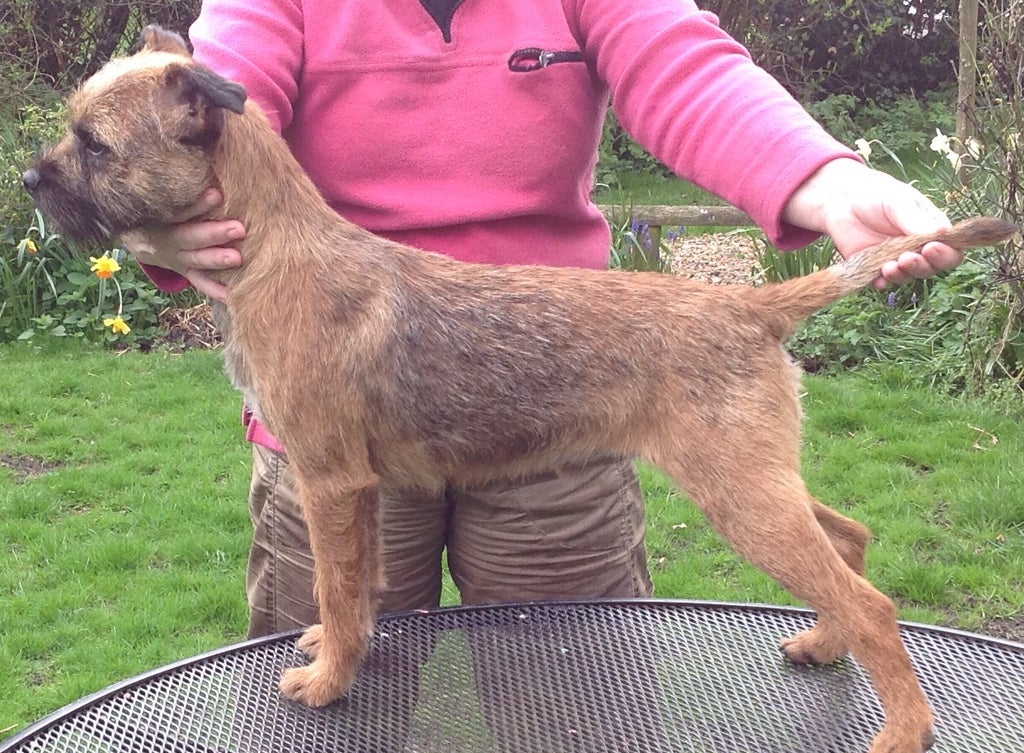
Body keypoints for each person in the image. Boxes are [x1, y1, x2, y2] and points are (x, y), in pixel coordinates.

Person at [124, 0, 962, 639]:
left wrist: (828, 181)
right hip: (334, 397)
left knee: (577, 734)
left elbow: (686, 69)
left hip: (561, 383)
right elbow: (214, 112)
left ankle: (841, 596)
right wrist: (160, 223)